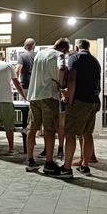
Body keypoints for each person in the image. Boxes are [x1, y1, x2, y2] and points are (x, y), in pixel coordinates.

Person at [25, 38, 70, 174]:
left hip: (35, 95)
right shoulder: (59, 55)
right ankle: (49, 162)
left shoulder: (40, 53)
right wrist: (61, 83)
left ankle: (30, 160)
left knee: (32, 128)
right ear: (64, 49)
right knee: (49, 130)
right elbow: (62, 68)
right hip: (49, 95)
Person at [60, 39, 102, 177]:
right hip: (93, 100)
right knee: (87, 133)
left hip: (80, 100)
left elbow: (72, 79)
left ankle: (66, 168)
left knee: (70, 133)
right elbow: (98, 84)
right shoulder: (95, 62)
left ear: (77, 48)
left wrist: (70, 100)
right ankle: (85, 165)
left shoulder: (75, 58)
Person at [0, 51, 27, 156]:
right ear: (3, 57)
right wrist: (24, 96)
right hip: (6, 100)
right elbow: (16, 83)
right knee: (9, 126)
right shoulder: (8, 66)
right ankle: (11, 149)